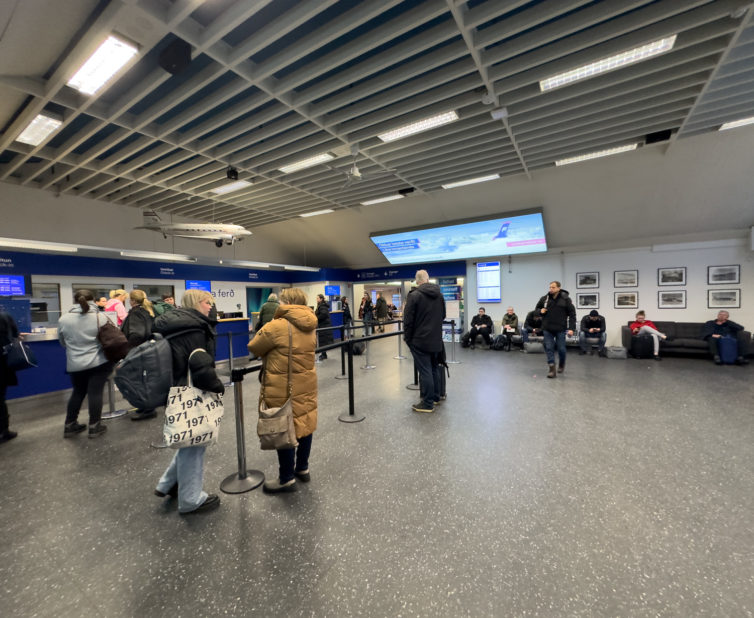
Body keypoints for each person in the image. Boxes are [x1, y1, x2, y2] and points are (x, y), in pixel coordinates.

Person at [153, 289, 224, 514]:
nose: (210, 307)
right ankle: (191, 499)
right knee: (195, 444)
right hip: (192, 392)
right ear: (196, 303)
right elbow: (201, 366)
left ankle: (167, 483)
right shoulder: (194, 328)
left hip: (175, 389)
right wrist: (217, 387)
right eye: (207, 302)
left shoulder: (173, 325)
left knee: (189, 438)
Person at [247, 287, 318, 494]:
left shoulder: (276, 326)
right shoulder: (311, 324)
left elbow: (254, 347)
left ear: (285, 302)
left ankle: (286, 478)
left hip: (283, 384)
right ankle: (302, 468)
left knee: (284, 424)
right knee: (304, 421)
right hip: (307, 382)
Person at [58, 289, 113, 438]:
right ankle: (95, 426)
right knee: (95, 393)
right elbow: (110, 340)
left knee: (78, 392)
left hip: (75, 363)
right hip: (98, 362)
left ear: (75, 300)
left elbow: (63, 343)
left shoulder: (63, 319)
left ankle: (70, 425)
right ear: (93, 300)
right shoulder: (100, 317)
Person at [403, 270, 446, 413]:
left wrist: (408, 339)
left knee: (425, 370)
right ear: (428, 279)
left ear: (417, 281)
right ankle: (435, 397)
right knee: (433, 368)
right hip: (436, 339)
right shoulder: (439, 295)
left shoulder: (414, 296)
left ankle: (427, 404)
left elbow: (408, 321)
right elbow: (443, 315)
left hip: (420, 340)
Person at [121, 290, 157, 420]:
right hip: (147, 349)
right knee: (144, 379)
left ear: (133, 301)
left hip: (137, 351)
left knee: (139, 380)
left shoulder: (135, 314)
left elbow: (137, 334)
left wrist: (129, 350)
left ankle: (148, 409)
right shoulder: (147, 312)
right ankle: (146, 406)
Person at [535, 281, 576, 378]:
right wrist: (540, 311)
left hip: (560, 328)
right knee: (549, 347)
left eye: (553, 287)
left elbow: (572, 315)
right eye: (550, 287)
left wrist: (571, 328)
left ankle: (562, 363)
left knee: (561, 349)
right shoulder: (544, 299)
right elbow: (536, 310)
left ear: (558, 288)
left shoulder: (566, 299)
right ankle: (552, 369)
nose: (551, 289)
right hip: (547, 328)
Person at [0, 309, 20, 443]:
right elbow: (15, 334)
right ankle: (3, 431)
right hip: (2, 363)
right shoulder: (4, 316)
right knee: (0, 398)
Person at [315, 293, 332, 360]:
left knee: (323, 341)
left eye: (317, 298)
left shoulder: (322, 306)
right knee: (323, 340)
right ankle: (323, 354)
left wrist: (316, 317)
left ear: (321, 299)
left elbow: (323, 315)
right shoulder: (321, 305)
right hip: (323, 325)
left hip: (323, 325)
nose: (316, 299)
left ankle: (323, 354)